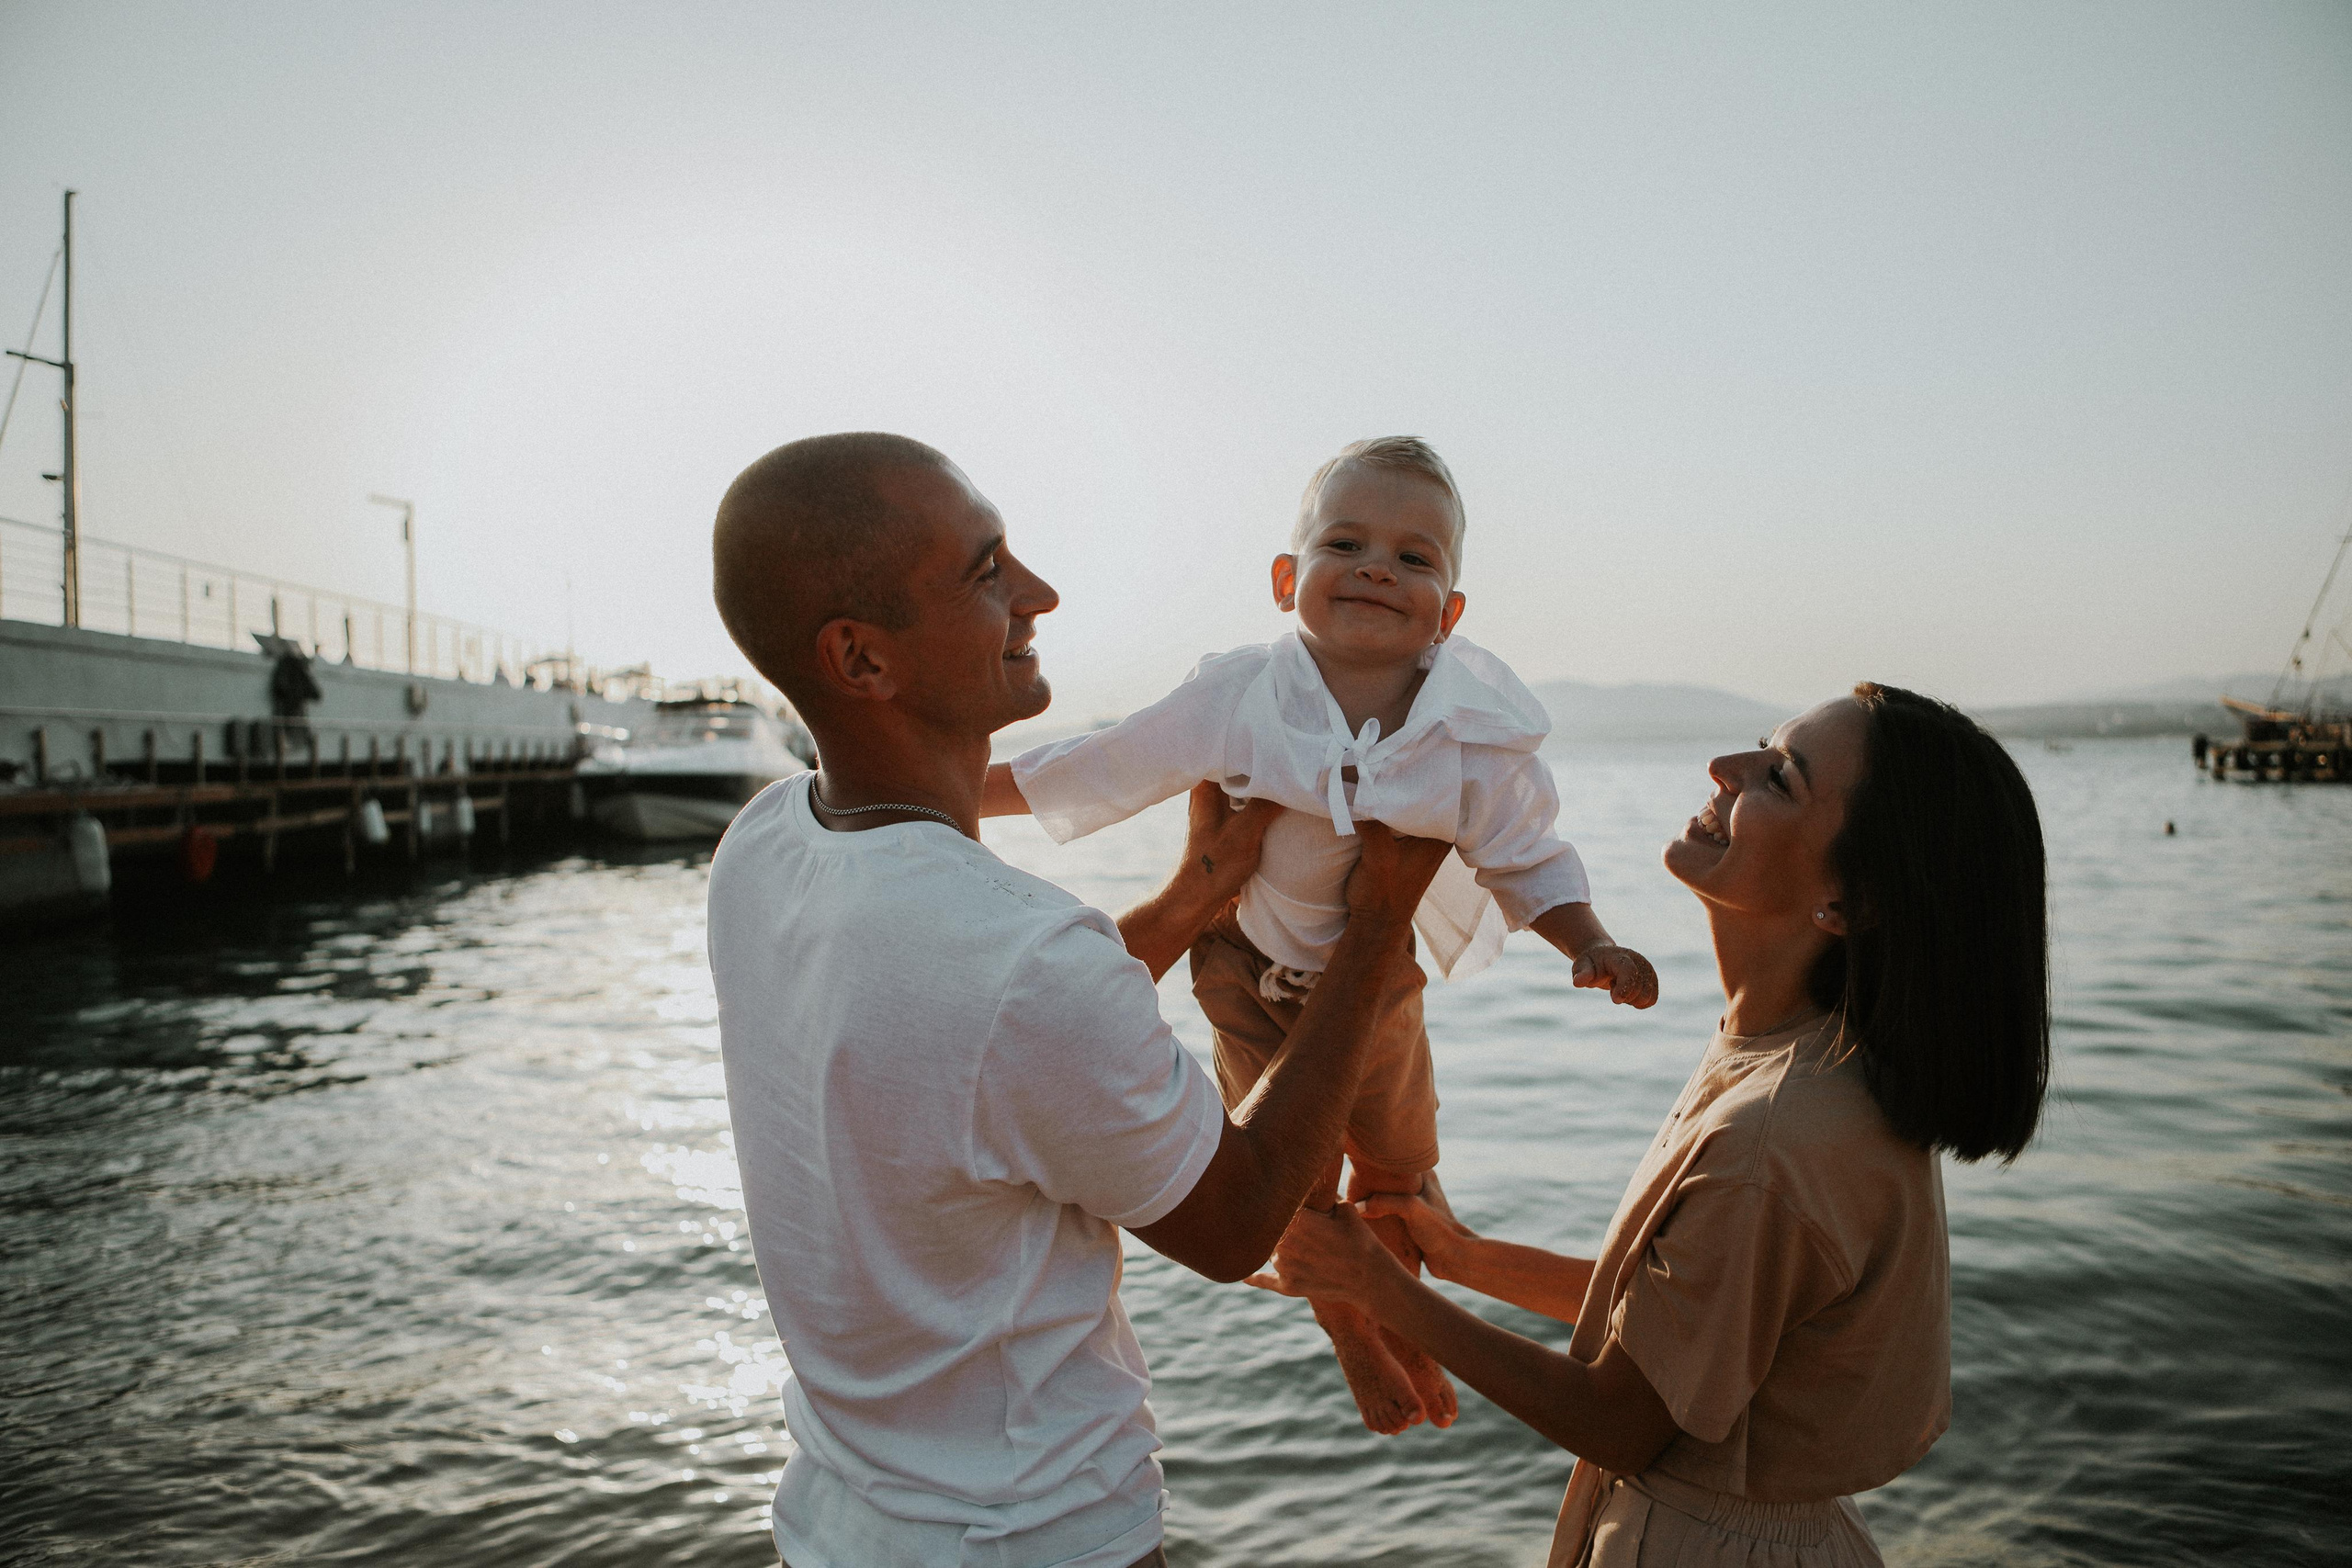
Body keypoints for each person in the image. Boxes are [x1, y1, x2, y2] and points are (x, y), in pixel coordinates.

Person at [704, 433, 1453, 1568]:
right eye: (986, 571)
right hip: (1032, 1540)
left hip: (837, 1527)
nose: (1039, 594)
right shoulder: (1017, 962)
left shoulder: (763, 842)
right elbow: (1235, 1217)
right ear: (861, 660)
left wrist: (1198, 897)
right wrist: (1378, 935)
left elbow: (976, 1035)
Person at [1251, 685, 2050, 1565]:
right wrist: (1462, 1256)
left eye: (1780, 778)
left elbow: (1618, 1419)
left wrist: (1377, 1284)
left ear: (1849, 901)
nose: (1725, 769)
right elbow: (1684, 1321)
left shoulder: (1775, 1136)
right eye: (1760, 747)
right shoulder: (1800, 1058)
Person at [978, 436, 1659, 1436]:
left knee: (1397, 1177)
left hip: (1376, 989)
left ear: (1449, 614)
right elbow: (1103, 765)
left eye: (1416, 558)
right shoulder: (1239, 695)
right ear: (1286, 579)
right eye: (1347, 543)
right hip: (1243, 968)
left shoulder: (1470, 730)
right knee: (1280, 1180)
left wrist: (1587, 939)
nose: (1380, 567)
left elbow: (1524, 852)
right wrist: (946, 795)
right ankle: (1350, 1338)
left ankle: (1404, 1325)